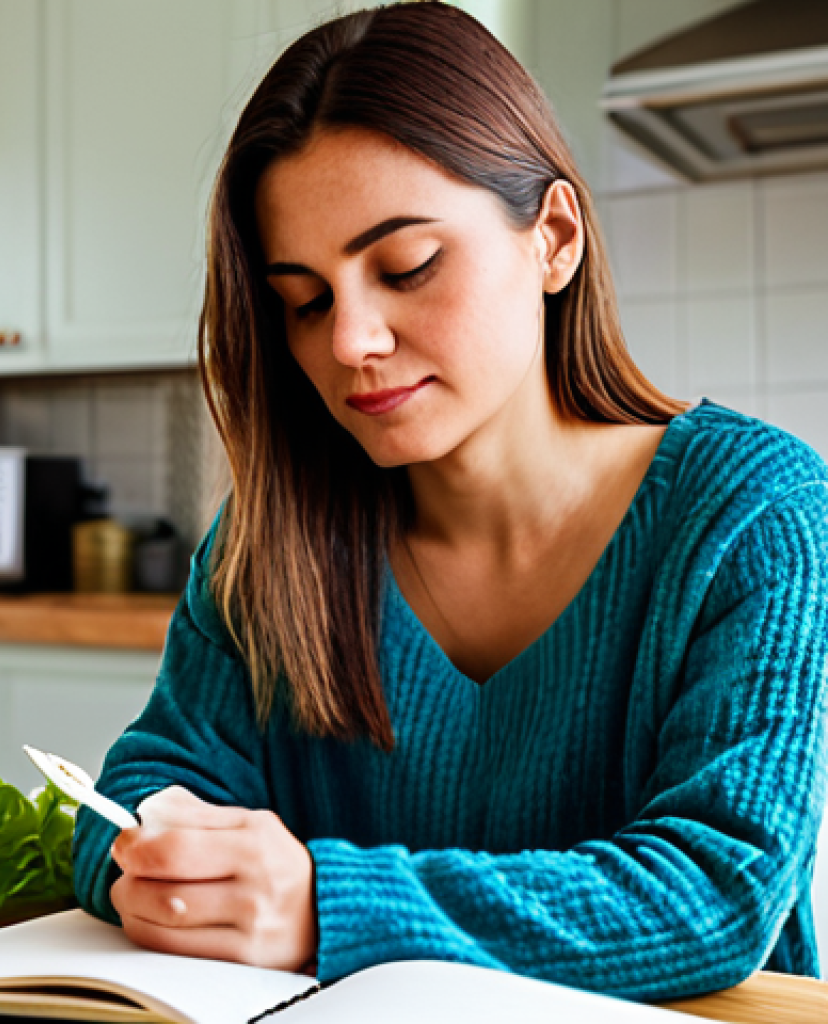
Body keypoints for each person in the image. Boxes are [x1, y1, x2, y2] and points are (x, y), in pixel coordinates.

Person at [73, 1, 828, 1002]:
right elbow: (135, 795)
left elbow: (715, 891)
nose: (349, 342)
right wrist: (156, 862)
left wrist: (325, 905)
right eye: (305, 300)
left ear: (553, 238)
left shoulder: (756, 514)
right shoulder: (266, 545)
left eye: (407, 267)